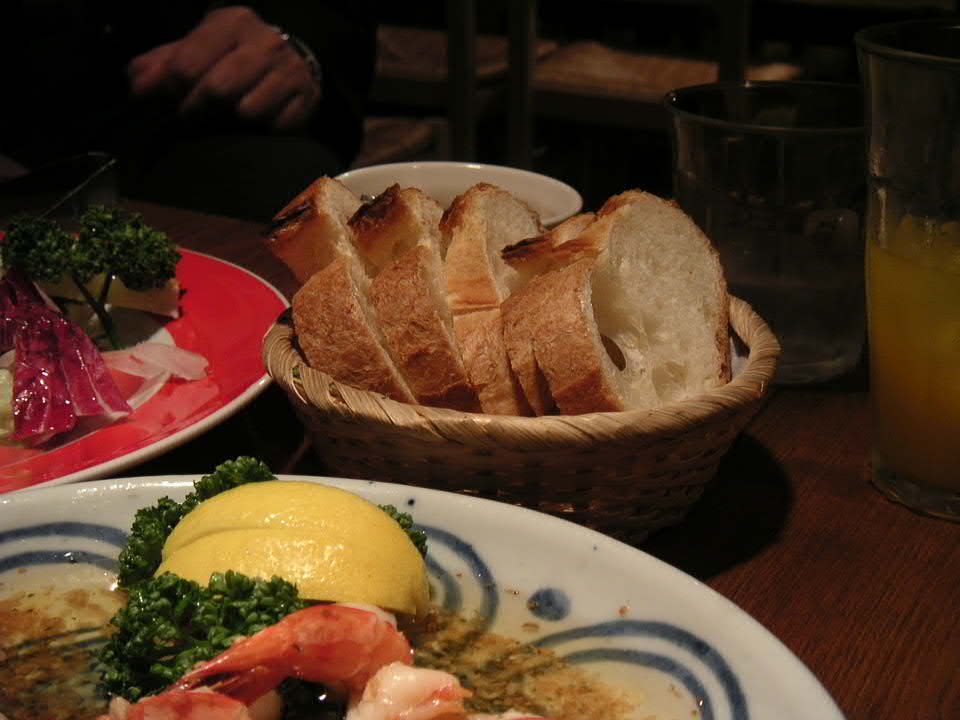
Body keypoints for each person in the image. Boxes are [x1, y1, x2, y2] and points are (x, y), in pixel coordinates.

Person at [0, 2, 378, 221]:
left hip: (183, 118)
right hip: (24, 130)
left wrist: (297, 46)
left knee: (289, 179)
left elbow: (332, 17)